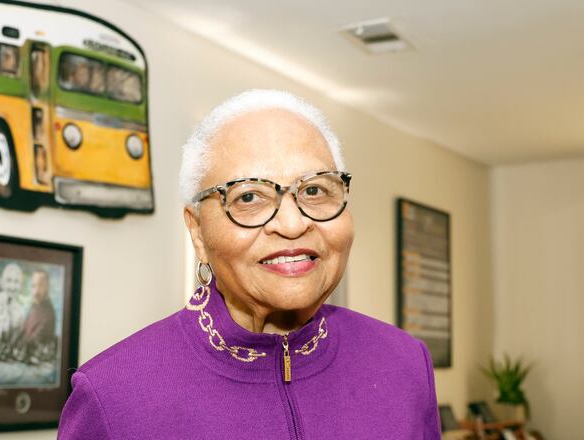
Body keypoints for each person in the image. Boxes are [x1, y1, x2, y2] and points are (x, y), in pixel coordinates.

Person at [57, 89, 441, 439]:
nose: (292, 224)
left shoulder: (403, 365)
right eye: (248, 197)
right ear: (197, 232)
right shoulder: (114, 396)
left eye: (314, 190)